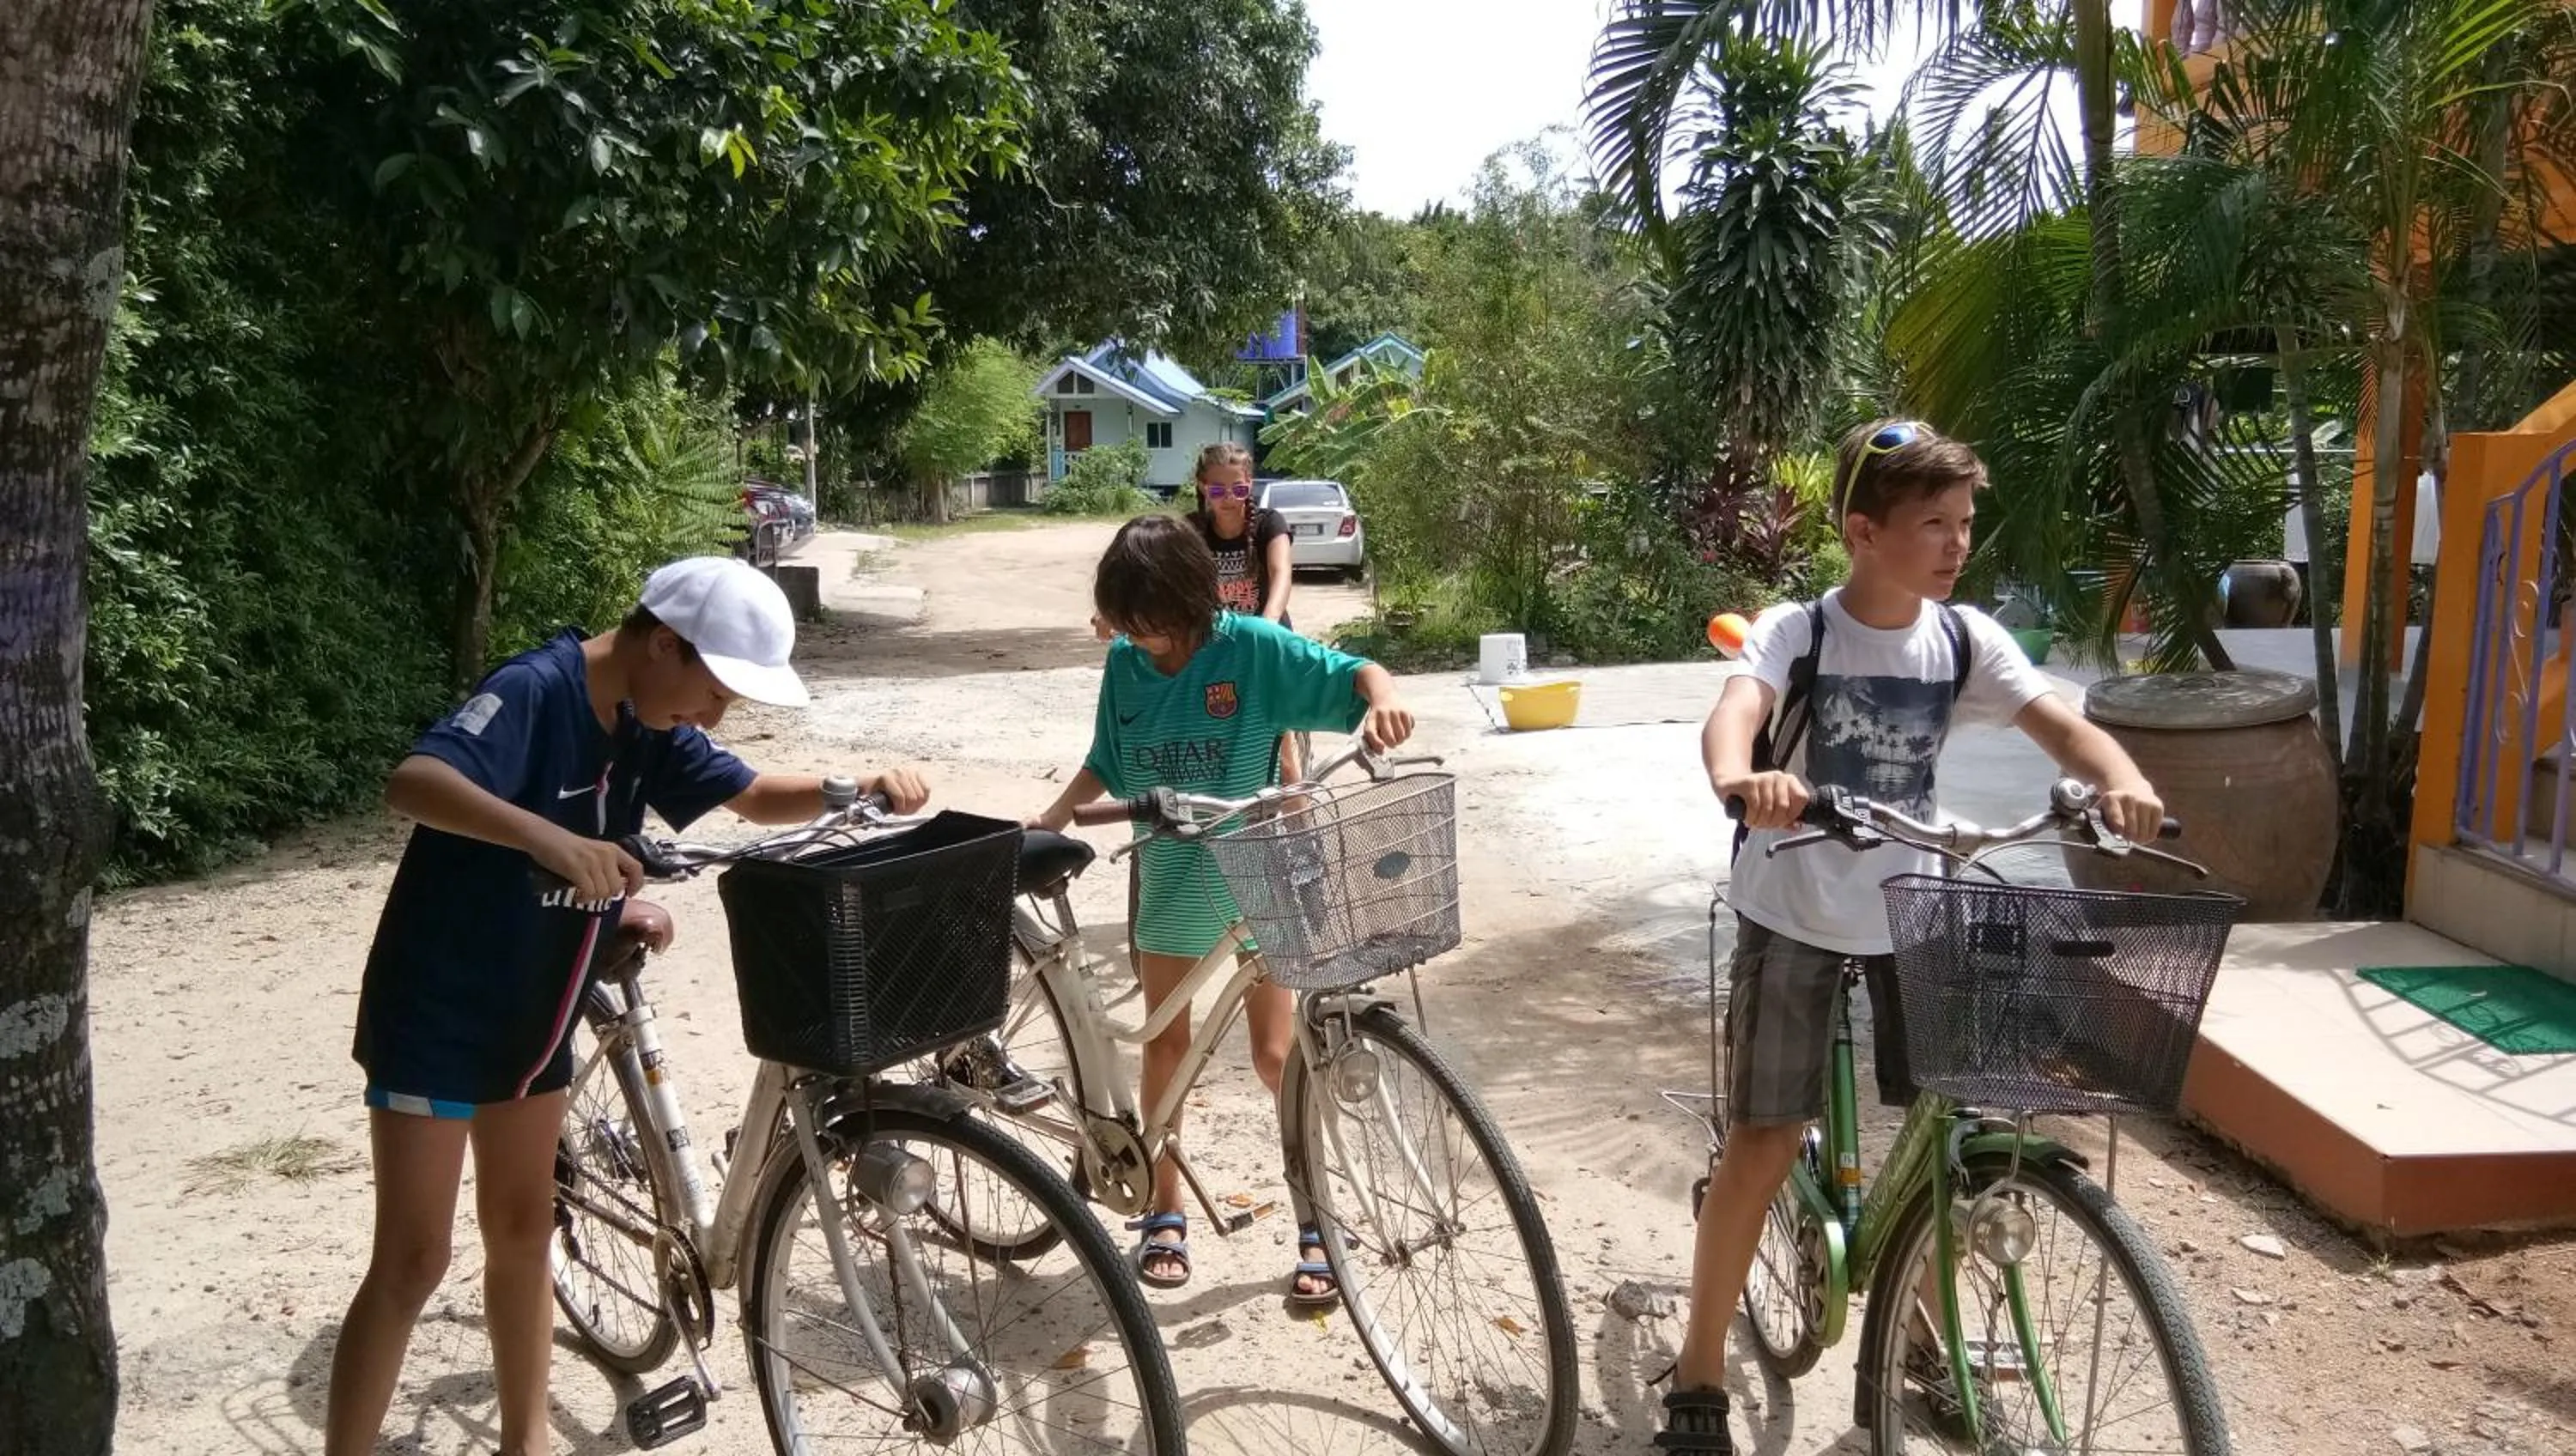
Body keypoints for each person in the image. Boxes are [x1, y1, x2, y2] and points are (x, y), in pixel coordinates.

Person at [325, 556, 930, 1456]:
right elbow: (415, 780)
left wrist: (856, 788)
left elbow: (754, 794)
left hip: (539, 1005)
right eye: (714, 692)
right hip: (441, 1008)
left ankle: (524, 1442)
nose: (714, 716)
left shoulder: (645, 719)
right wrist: (556, 842)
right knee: (416, 1258)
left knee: (525, 1230)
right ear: (661, 642)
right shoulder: (537, 688)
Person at [1664, 420, 2167, 1453]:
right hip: (1794, 905)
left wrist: (2118, 774)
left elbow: (2061, 722)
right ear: (1863, 530)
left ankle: (1919, 1334)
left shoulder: (1963, 637)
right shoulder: (1800, 632)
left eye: (1965, 523)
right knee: (1763, 1141)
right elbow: (1737, 709)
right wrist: (1740, 776)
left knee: (1945, 1138)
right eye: (1932, 523)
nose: (1955, 544)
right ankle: (1700, 1374)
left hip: (1916, 908)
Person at [1028, 514, 1415, 1307]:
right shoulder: (1125, 663)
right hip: (1170, 878)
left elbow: (1359, 673)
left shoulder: (1251, 648)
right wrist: (1054, 818)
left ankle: (1319, 1219)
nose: (1147, 644)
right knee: (1166, 1049)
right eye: (1133, 628)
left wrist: (1385, 702)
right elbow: (1107, 756)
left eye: (1160, 628)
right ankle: (1164, 1212)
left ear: (1196, 604)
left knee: (1280, 1058)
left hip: (1262, 872)